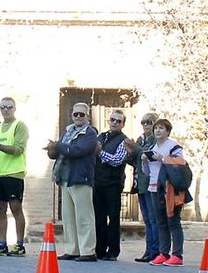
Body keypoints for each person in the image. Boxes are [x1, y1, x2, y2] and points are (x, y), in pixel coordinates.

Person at [45, 102, 98, 262]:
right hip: (65, 179)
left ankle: (88, 251)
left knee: (84, 217)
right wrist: (52, 149)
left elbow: (77, 151)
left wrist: (58, 146)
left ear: (87, 116)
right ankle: (72, 249)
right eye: (76, 114)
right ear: (72, 115)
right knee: (68, 217)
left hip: (81, 178)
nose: (78, 117)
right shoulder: (67, 132)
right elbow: (59, 153)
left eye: (82, 114)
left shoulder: (90, 134)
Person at [0, 96, 29, 256]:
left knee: (16, 208)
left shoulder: (20, 126)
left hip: (14, 174)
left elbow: (18, 149)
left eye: (9, 107)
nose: (6, 110)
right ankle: (2, 243)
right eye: (3, 107)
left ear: (14, 108)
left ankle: (19, 244)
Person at [145, 118, 186, 267]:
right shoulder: (153, 146)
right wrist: (145, 160)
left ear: (168, 131)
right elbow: (147, 171)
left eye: (161, 128)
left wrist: (162, 158)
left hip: (170, 189)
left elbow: (179, 164)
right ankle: (163, 253)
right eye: (156, 128)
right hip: (154, 187)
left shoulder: (173, 146)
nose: (157, 131)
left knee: (173, 221)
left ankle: (177, 254)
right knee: (160, 222)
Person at [93, 109, 133, 261]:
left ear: (123, 124)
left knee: (114, 219)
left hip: (113, 184)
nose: (115, 122)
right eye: (113, 120)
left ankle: (113, 251)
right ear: (108, 121)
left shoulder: (124, 140)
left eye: (118, 121)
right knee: (99, 218)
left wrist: (101, 152)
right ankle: (100, 249)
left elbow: (117, 160)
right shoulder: (101, 137)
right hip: (98, 183)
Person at [130, 113, 161, 263]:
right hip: (140, 183)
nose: (146, 125)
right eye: (143, 122)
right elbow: (135, 158)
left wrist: (134, 148)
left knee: (154, 219)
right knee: (147, 219)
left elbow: (147, 154)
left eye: (149, 122)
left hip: (151, 183)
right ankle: (149, 250)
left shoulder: (155, 140)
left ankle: (156, 251)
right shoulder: (140, 139)